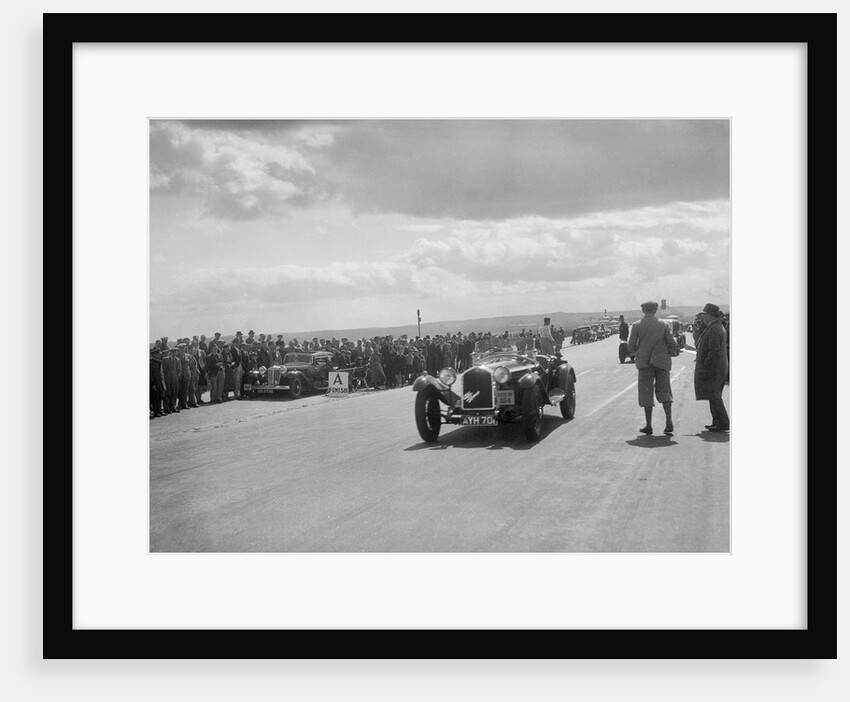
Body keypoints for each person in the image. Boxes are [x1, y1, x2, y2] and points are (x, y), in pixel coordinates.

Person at [627, 300, 680, 435]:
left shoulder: (637, 325)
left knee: (646, 394)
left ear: (643, 310)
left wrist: (639, 350)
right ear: (655, 310)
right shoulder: (663, 324)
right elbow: (672, 342)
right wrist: (670, 352)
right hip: (662, 362)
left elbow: (630, 346)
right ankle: (669, 422)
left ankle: (649, 425)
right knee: (665, 392)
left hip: (645, 364)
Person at [694, 303, 730, 432]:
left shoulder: (714, 329)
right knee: (713, 395)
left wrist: (706, 367)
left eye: (704, 315)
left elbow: (713, 351)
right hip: (718, 367)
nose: (702, 318)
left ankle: (723, 423)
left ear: (710, 316)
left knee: (714, 396)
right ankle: (717, 422)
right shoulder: (715, 327)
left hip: (714, 368)